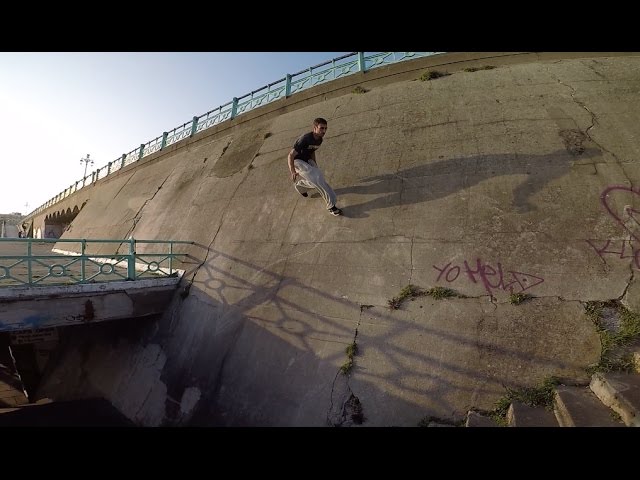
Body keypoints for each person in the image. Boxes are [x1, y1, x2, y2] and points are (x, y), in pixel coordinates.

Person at [288, 117, 342, 216]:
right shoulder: (305, 139)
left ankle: (300, 186)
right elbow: (291, 155)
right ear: (315, 128)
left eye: (326, 128)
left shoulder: (320, 140)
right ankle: (331, 206)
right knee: (318, 179)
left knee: (316, 179)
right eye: (321, 128)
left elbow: (312, 152)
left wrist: (315, 165)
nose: (324, 131)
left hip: (307, 161)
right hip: (298, 161)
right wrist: (292, 171)